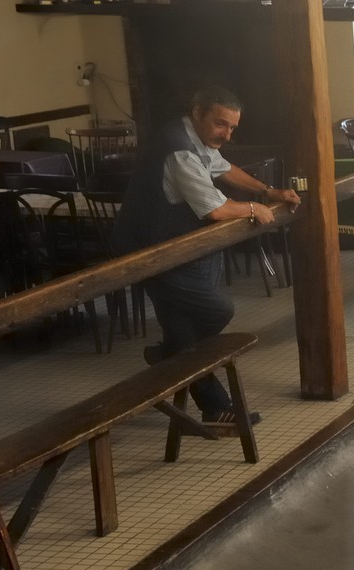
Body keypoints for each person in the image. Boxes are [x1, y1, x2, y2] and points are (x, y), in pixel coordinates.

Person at [112, 85, 300, 431]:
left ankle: (210, 402)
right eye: (220, 124)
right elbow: (216, 209)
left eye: (232, 127)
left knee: (184, 334)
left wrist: (268, 191)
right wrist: (255, 208)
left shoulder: (196, 138)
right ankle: (171, 357)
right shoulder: (179, 151)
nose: (226, 134)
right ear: (197, 112)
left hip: (188, 248)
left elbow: (223, 168)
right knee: (218, 310)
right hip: (155, 252)